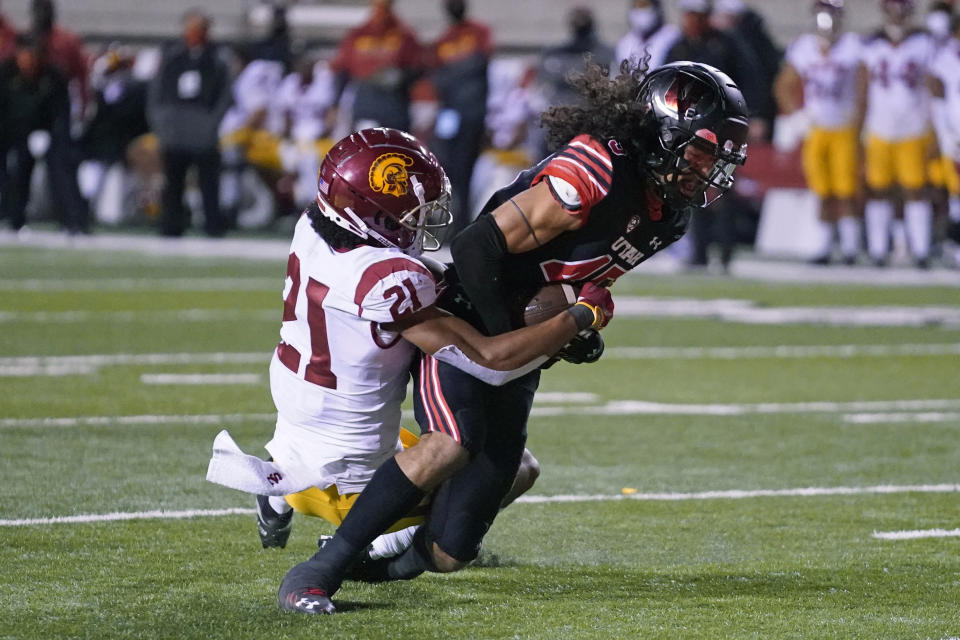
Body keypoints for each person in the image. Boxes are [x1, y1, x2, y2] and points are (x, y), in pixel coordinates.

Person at [277, 61, 750, 614]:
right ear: (664, 130)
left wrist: (567, 332)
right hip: (472, 309)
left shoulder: (668, 217)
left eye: (719, 159)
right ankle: (316, 574)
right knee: (451, 443)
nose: (710, 169)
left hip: (522, 344)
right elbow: (476, 247)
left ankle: (360, 557)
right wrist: (513, 341)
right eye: (702, 152)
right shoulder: (594, 174)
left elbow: (575, 283)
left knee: (450, 550)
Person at [204, 127, 616, 605]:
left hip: (297, 431)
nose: (419, 225)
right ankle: (374, 548)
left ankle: (279, 490)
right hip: (348, 477)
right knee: (511, 468)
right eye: (407, 215)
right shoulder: (391, 280)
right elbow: (491, 361)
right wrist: (579, 316)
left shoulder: (313, 228)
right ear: (367, 214)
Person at [664, 0, 764, 271]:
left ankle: (726, 253)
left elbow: (749, 77)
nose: (689, 21)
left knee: (723, 187)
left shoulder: (726, 44)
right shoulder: (679, 46)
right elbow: (665, 85)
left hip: (723, 127)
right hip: (692, 130)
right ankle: (699, 252)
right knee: (690, 185)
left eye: (694, 15)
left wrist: (753, 114)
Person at [774, 0, 866, 265]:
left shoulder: (853, 47)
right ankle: (823, 246)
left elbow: (863, 88)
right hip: (817, 129)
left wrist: (861, 123)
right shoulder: (803, 47)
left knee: (847, 190)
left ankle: (850, 249)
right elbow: (783, 86)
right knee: (822, 191)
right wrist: (797, 115)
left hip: (844, 127)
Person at [860, 0, 937, 267]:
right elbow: (862, 89)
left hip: (914, 127)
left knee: (916, 189)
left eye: (902, 9)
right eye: (893, 9)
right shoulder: (870, 44)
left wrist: (936, 129)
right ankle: (879, 250)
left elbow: (932, 85)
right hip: (879, 127)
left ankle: (921, 251)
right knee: (878, 188)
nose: (897, 15)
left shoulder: (925, 43)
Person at [147, 9, 232, 238]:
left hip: (203, 131)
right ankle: (171, 226)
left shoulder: (217, 59)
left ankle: (212, 227)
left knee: (209, 183)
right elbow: (157, 93)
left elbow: (224, 96)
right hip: (176, 130)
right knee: (173, 183)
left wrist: (211, 123)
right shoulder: (172, 57)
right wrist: (162, 124)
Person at [427, 0, 492, 234]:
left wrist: (453, 74)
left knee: (465, 170)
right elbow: (435, 76)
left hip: (471, 114)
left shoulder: (478, 33)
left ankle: (462, 224)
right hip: (449, 113)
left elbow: (480, 65)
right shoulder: (444, 39)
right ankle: (444, 222)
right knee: (444, 167)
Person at [30, 0, 91, 234]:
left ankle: (74, 218)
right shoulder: (27, 40)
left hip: (60, 111)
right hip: (32, 110)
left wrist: (82, 112)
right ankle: (15, 215)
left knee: (63, 166)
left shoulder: (65, 41)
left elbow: (80, 78)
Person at [0, 33, 70, 232]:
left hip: (44, 132)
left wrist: (50, 134)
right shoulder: (5, 73)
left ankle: (71, 221)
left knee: (61, 167)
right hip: (9, 132)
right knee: (13, 173)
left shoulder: (53, 76)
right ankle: (13, 217)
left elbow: (61, 111)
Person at [329, 0, 423, 133]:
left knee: (395, 150)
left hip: (394, 104)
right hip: (367, 102)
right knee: (368, 148)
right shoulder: (358, 35)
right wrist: (335, 104)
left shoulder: (404, 35)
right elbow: (342, 71)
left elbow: (418, 68)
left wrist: (400, 76)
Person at [928, 12, 960, 266]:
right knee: (954, 194)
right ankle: (953, 244)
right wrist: (945, 134)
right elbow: (937, 97)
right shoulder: (947, 56)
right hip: (956, 136)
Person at [614, 0, 681, 72]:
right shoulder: (625, 43)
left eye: (644, 5)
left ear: (655, 7)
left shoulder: (672, 37)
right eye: (637, 6)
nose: (640, 11)